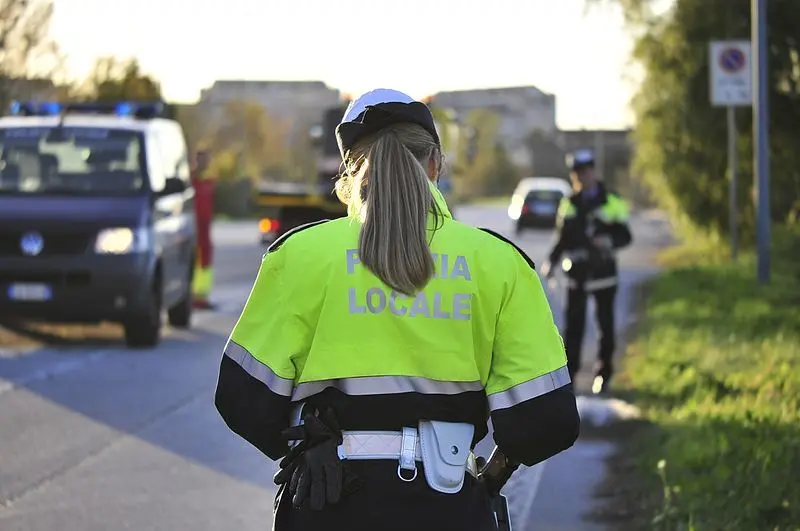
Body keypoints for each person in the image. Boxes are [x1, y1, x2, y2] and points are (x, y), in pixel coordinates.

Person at [214, 88, 580, 531]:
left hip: (328, 507)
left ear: (348, 173)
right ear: (435, 165)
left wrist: (301, 442)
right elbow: (546, 420)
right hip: (448, 508)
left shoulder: (300, 255)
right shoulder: (499, 262)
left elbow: (241, 398)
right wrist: (491, 476)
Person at [542, 149, 633, 395]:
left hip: (604, 273)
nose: (582, 176)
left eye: (585, 171)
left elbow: (625, 235)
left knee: (605, 327)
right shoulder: (569, 203)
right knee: (573, 329)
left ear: (593, 171)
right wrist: (551, 262)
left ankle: (603, 375)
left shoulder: (611, 200)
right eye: (577, 173)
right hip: (577, 275)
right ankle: (570, 378)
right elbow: (561, 238)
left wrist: (609, 241)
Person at [191, 149, 215, 309]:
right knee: (192, 261)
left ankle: (202, 296)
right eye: (201, 160)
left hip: (205, 228)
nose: (204, 164)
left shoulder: (209, 182)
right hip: (192, 228)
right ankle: (192, 296)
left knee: (205, 262)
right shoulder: (190, 181)